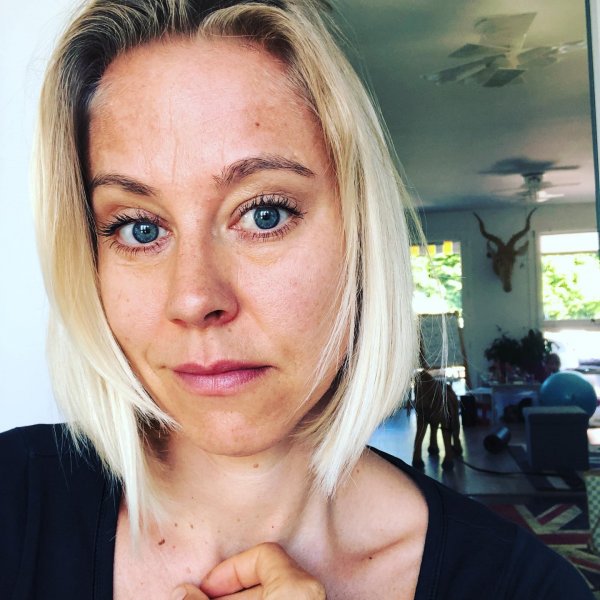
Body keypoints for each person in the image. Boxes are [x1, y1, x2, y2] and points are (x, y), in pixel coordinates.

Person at [0, 1, 593, 598]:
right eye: (139, 227)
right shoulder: (12, 501)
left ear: (360, 233)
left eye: (264, 214)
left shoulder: (526, 588)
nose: (195, 298)